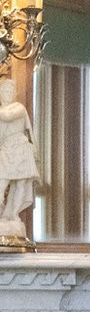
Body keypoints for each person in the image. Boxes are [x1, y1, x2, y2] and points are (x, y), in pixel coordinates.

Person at [0, 78, 39, 225]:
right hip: (5, 150)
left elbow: (8, 116)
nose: (8, 94)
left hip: (21, 149)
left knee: (21, 183)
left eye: (10, 91)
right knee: (2, 182)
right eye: (5, 91)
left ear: (15, 93)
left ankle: (13, 214)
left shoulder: (18, 108)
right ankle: (3, 214)